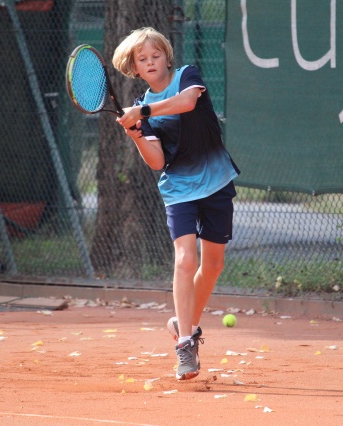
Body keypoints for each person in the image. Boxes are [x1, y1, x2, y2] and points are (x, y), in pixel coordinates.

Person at [112, 27, 240, 380]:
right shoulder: (141, 108)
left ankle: (184, 323)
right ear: (135, 68)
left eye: (156, 55)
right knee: (186, 259)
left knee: (213, 264)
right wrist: (137, 135)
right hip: (179, 189)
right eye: (143, 59)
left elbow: (187, 103)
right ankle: (186, 343)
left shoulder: (187, 76)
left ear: (167, 57)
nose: (151, 62)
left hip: (216, 180)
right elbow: (156, 161)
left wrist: (142, 112)